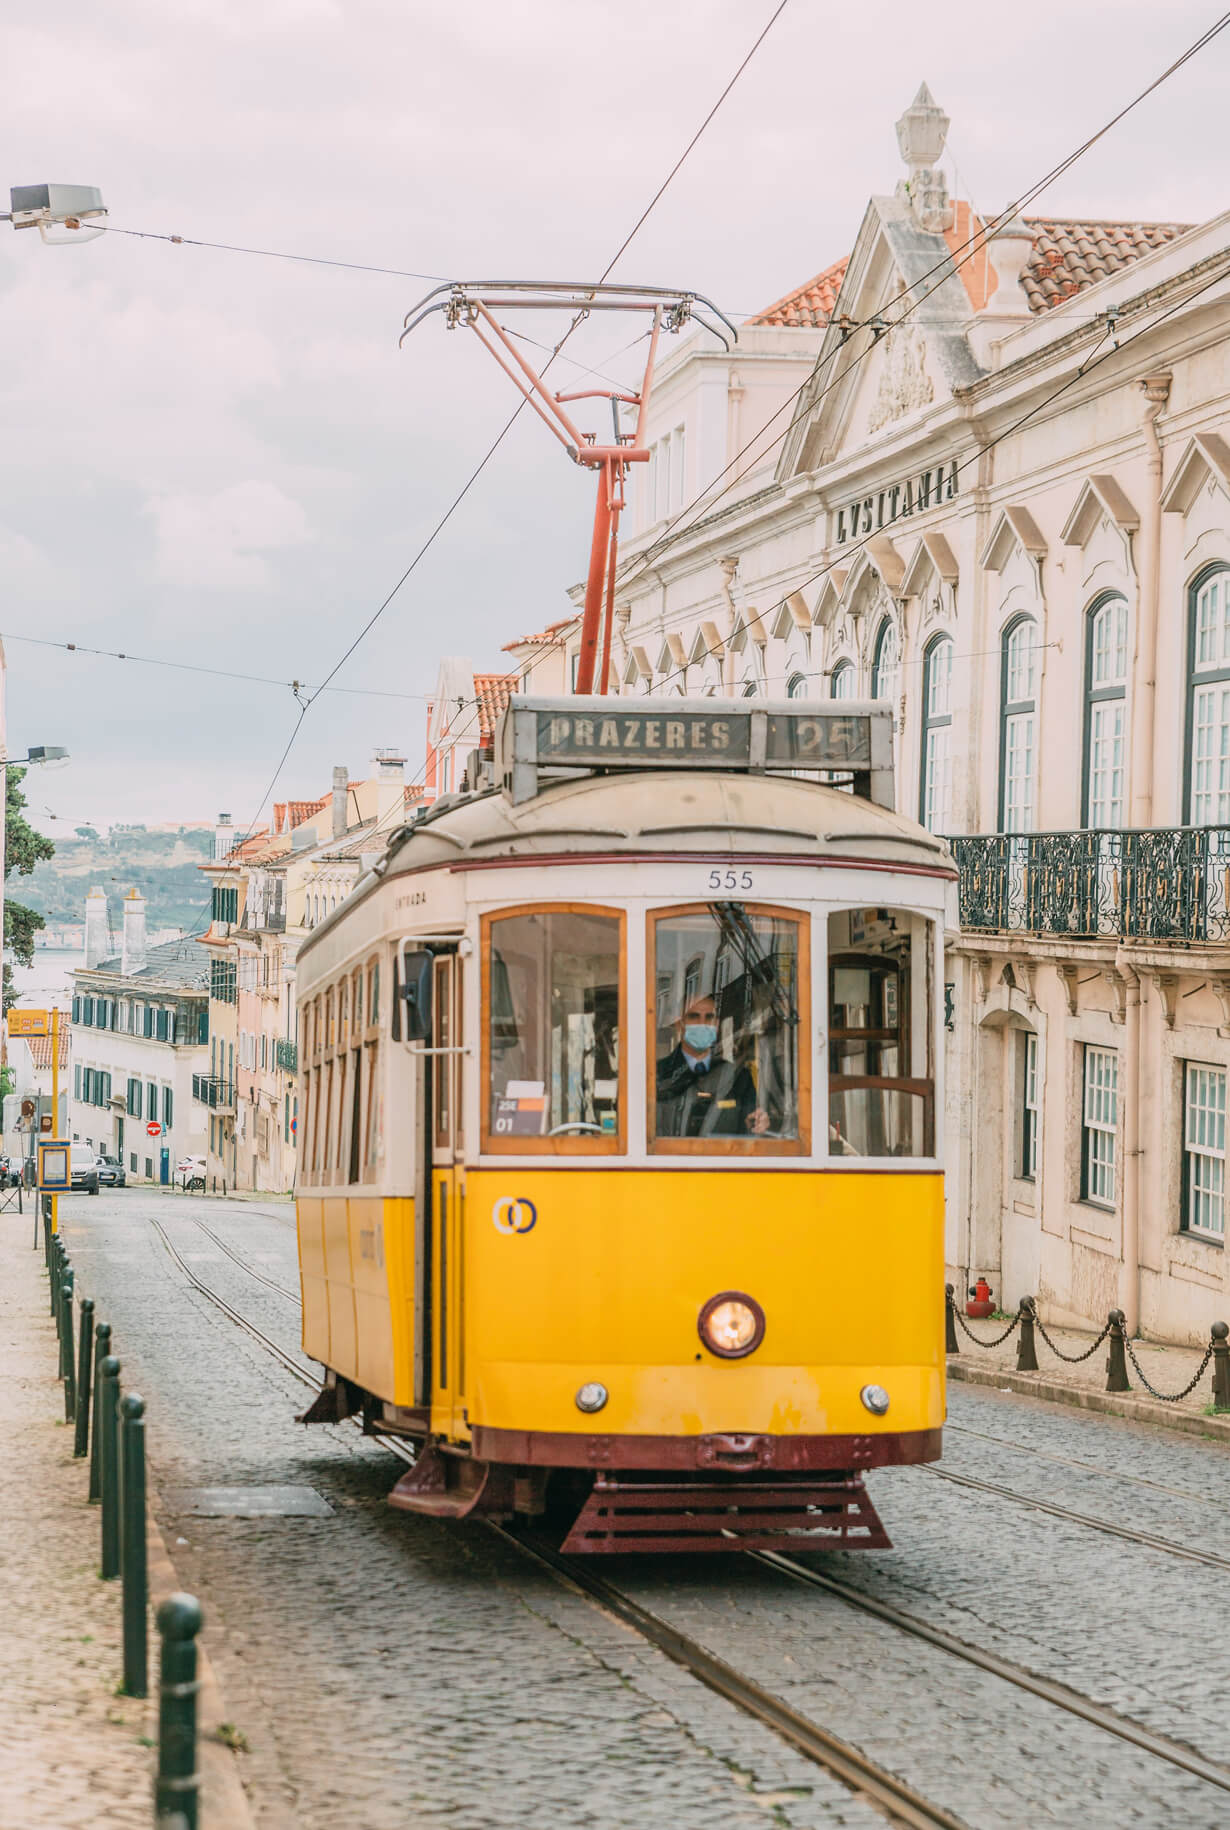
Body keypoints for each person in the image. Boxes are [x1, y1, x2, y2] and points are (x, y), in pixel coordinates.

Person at [655, 993, 770, 1138]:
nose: (702, 1024)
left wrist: (759, 1123)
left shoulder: (739, 1076)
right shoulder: (657, 1073)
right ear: (680, 1024)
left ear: (716, 1025)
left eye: (709, 1017)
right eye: (694, 1016)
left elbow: (750, 1130)